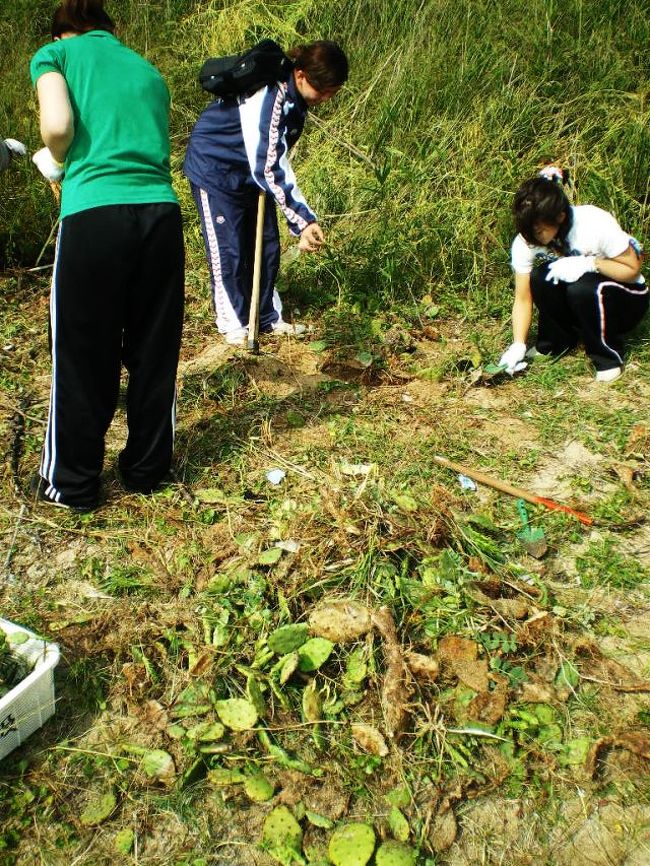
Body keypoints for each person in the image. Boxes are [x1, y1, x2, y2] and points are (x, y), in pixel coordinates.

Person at [29, 0, 184, 512]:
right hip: (160, 216)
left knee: (81, 352)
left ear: (63, 31)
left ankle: (71, 484)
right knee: (153, 350)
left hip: (95, 214)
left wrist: (51, 161)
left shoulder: (56, 55)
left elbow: (57, 127)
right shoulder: (147, 70)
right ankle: (146, 470)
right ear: (109, 29)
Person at [184, 40, 348, 345]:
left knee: (266, 246)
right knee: (229, 250)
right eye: (322, 90)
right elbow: (269, 166)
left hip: (250, 176)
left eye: (332, 92)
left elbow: (275, 155)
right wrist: (303, 220)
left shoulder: (296, 100)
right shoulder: (269, 95)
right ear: (300, 75)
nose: (325, 98)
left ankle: (268, 317)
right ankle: (233, 325)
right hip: (216, 170)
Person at [499, 167, 648, 382]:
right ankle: (556, 343)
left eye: (538, 230)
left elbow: (632, 267)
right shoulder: (527, 240)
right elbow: (522, 298)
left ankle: (607, 357)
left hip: (626, 298)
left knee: (583, 287)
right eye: (527, 230)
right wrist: (518, 344)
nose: (531, 237)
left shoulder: (593, 222)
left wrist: (592, 263)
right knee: (541, 277)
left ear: (560, 216)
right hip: (584, 303)